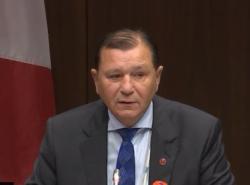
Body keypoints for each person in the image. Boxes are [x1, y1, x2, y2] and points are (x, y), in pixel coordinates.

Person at [26, 29, 235, 185]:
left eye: (139, 75)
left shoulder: (199, 132)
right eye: (115, 76)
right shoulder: (63, 133)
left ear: (157, 78)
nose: (127, 88)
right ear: (96, 80)